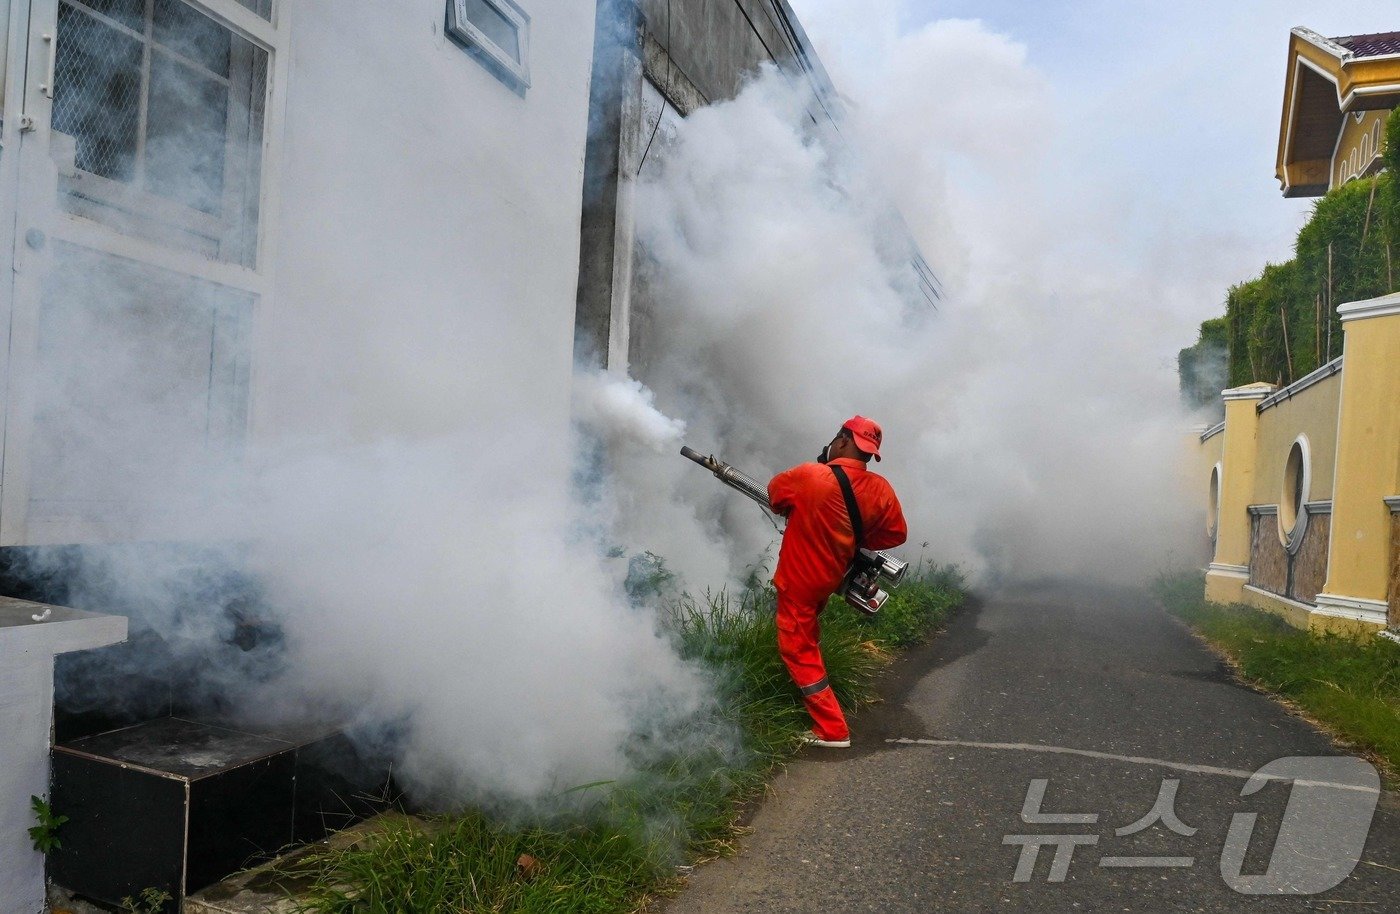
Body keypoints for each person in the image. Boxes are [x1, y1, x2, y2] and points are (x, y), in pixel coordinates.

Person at [767, 416, 907, 748]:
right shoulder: (880, 489)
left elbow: (774, 496)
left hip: (799, 581)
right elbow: (897, 533)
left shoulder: (810, 475)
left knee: (798, 649)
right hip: (831, 578)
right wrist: (852, 533)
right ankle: (826, 718)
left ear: (843, 441)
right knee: (806, 638)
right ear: (869, 453)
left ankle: (832, 730)